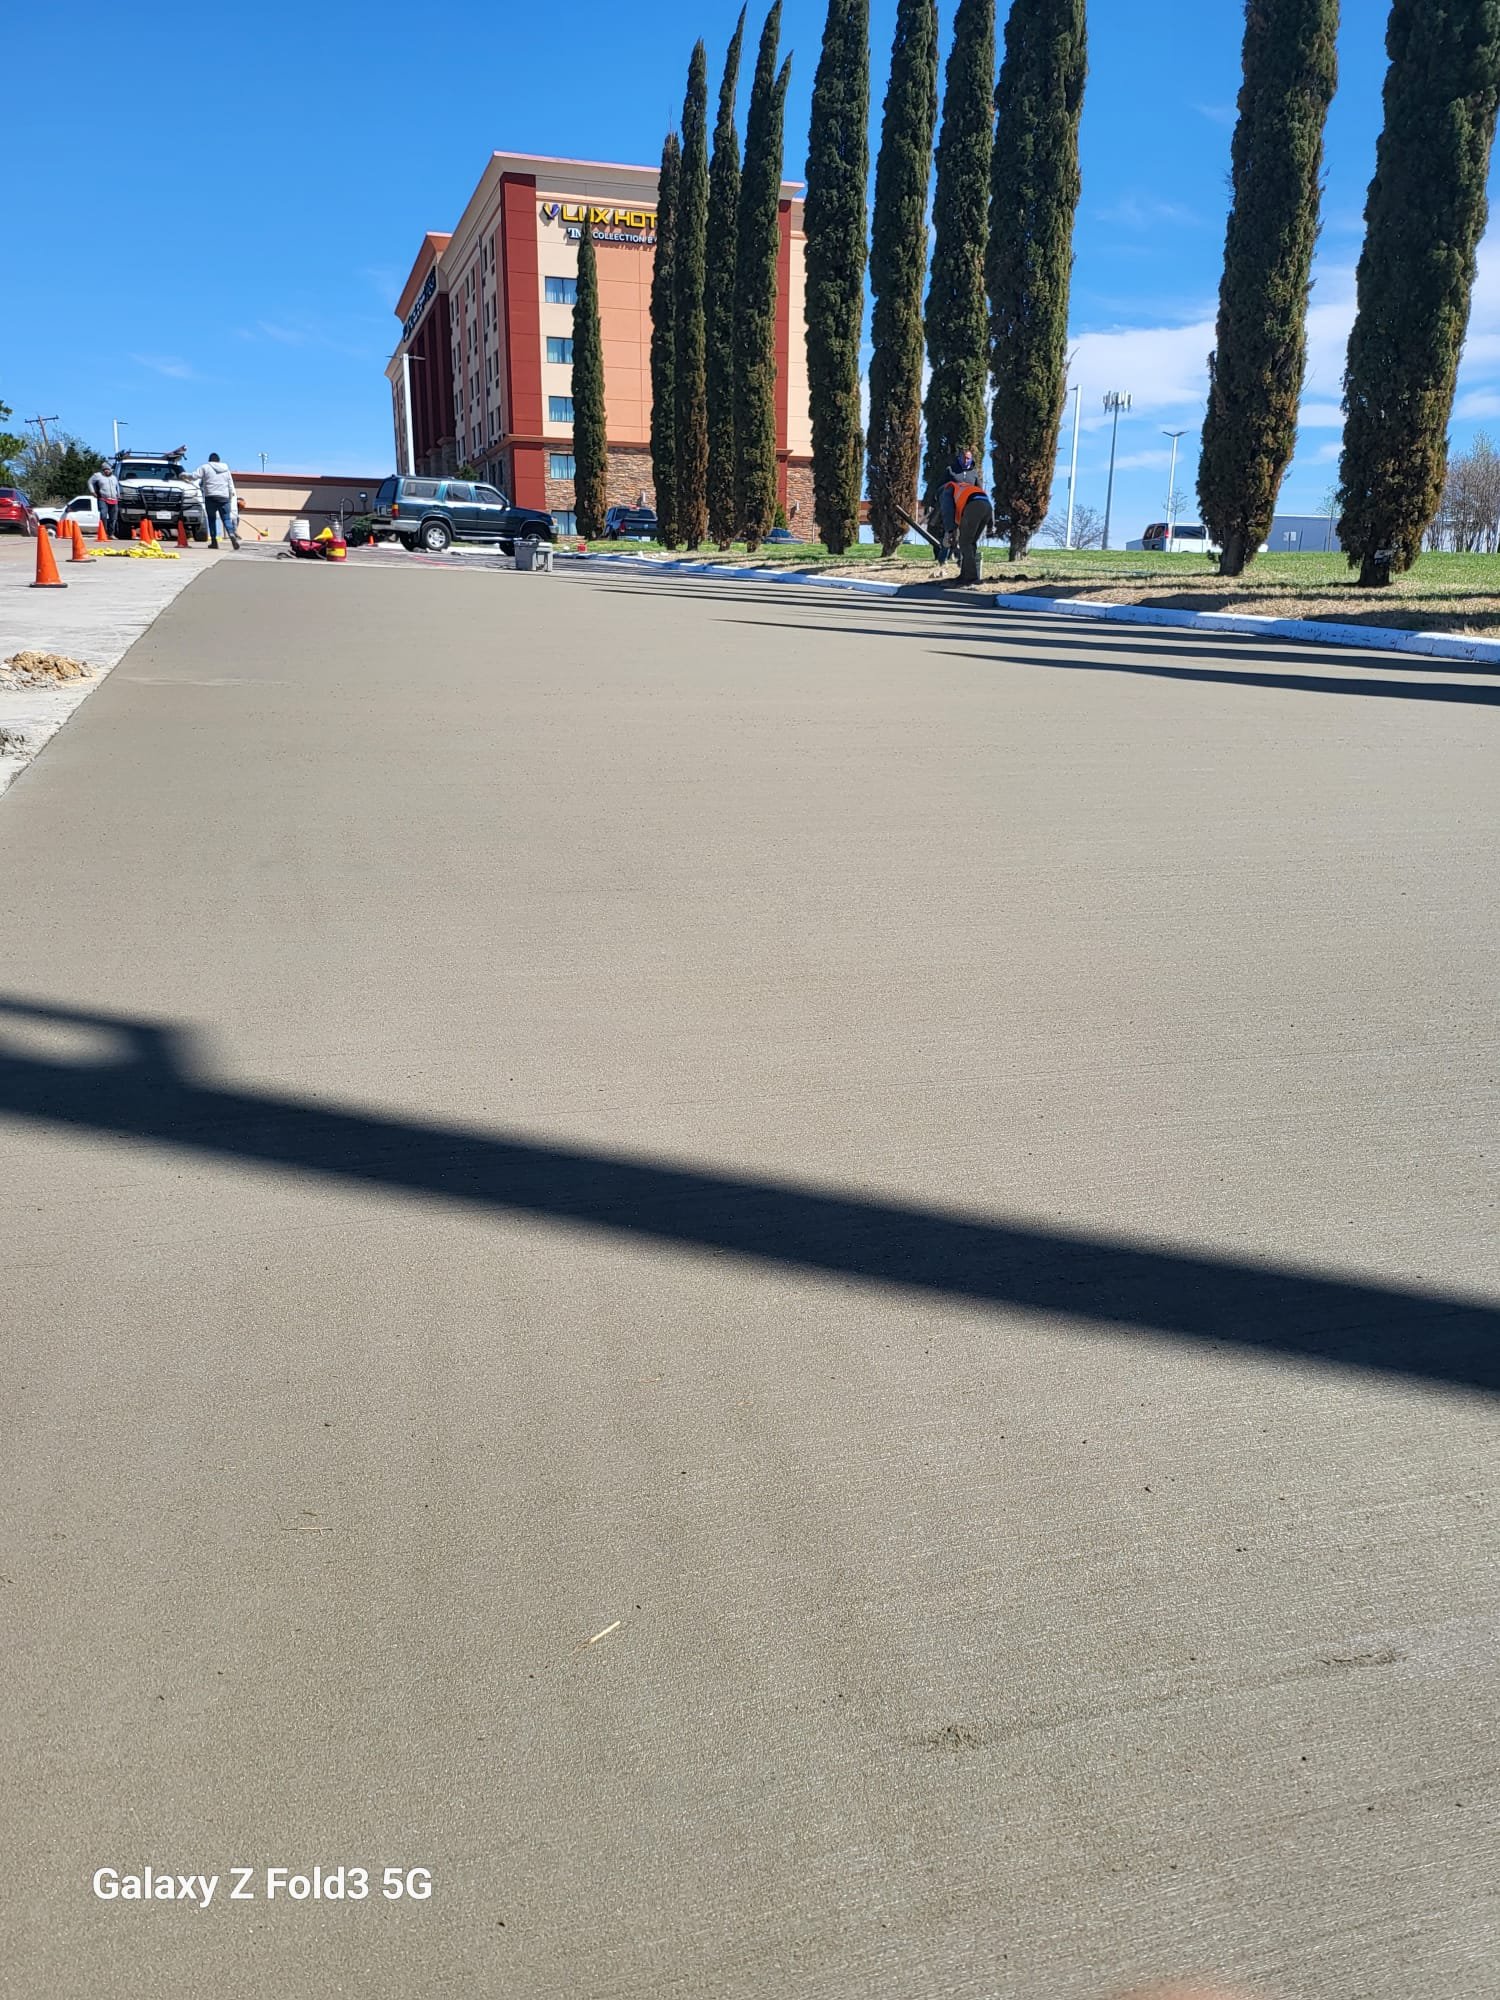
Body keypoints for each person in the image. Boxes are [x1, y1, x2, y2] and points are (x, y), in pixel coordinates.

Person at [194, 452, 240, 550]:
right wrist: (231, 497)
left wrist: (184, 476)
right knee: (226, 519)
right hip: (224, 498)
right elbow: (230, 484)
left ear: (209, 460)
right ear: (219, 461)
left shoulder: (205, 467)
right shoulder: (226, 469)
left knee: (211, 519)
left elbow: (195, 476)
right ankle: (231, 534)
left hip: (210, 497)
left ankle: (214, 542)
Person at [88, 461, 120, 540]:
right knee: (103, 515)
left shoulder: (114, 477)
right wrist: (92, 491)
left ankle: (111, 534)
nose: (106, 470)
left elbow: (117, 486)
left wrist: (118, 494)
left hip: (114, 499)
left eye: (108, 469)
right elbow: (89, 482)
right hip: (103, 499)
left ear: (111, 470)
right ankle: (103, 533)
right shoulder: (98, 476)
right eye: (104, 469)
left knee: (113, 518)